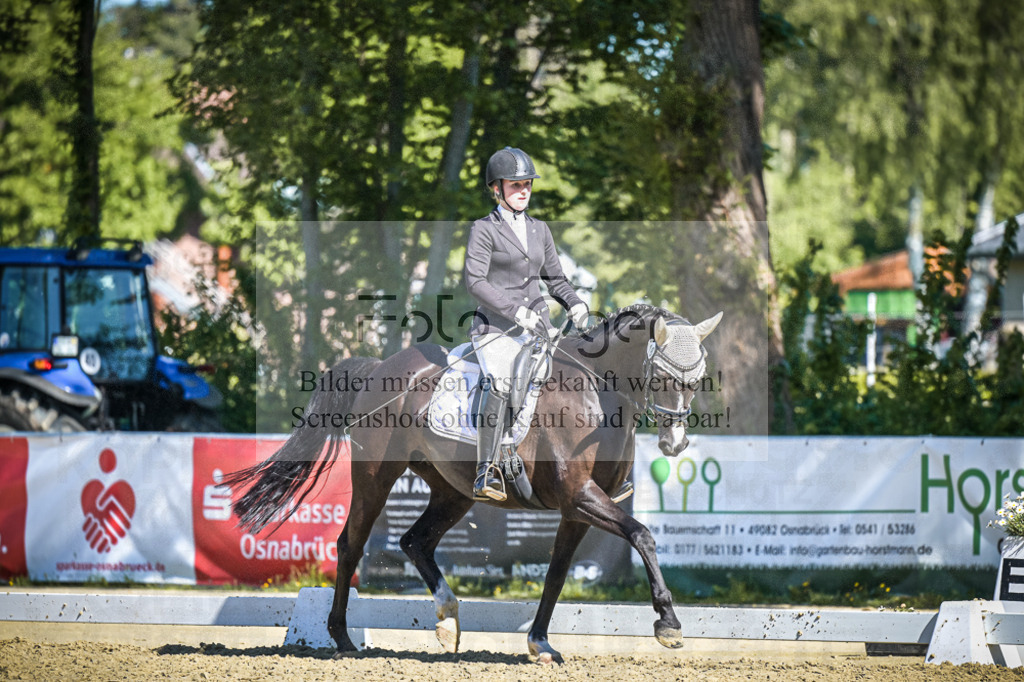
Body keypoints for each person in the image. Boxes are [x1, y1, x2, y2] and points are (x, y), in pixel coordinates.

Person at [463, 146, 590, 501]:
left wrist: (576, 303)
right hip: (496, 328)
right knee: (502, 380)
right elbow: (475, 282)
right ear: (497, 188)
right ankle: (486, 470)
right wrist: (515, 312)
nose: (523, 191)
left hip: (539, 329)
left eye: (528, 185)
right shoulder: (483, 229)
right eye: (515, 185)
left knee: (574, 376)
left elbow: (556, 279)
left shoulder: (539, 229)